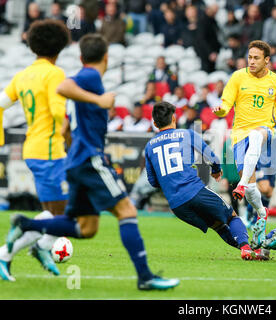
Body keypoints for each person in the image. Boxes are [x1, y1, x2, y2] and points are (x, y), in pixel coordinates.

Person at [5, 34, 179, 291]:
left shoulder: (87, 79)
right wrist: (99, 102)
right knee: (127, 211)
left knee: (86, 228)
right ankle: (146, 277)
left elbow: (65, 125)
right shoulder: (90, 77)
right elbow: (62, 88)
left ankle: (26, 224)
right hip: (89, 159)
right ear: (106, 57)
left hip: (77, 160)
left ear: (81, 56)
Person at [145, 101, 266, 261]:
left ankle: (248, 250)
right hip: (195, 192)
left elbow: (153, 182)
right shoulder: (187, 134)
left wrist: (171, 181)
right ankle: (246, 248)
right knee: (231, 217)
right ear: (174, 118)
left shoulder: (149, 146)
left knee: (218, 225)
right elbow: (211, 157)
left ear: (154, 123)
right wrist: (216, 170)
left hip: (177, 205)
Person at [0, 19, 71, 281]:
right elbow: (58, 114)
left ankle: (39, 248)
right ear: (61, 45)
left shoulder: (22, 75)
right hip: (50, 151)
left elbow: (0, 104)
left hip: (32, 148)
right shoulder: (54, 74)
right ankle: (8, 253)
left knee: (58, 212)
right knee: (64, 213)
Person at [212, 40, 276, 249]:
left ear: (267, 60)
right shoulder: (237, 77)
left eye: (256, 58)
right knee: (255, 188)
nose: (252, 61)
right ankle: (262, 212)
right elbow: (226, 103)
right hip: (239, 136)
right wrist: (220, 110)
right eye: (250, 57)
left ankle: (241, 185)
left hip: (266, 132)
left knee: (257, 136)